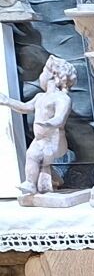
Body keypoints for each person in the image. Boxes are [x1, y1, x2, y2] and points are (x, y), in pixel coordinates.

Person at [0, 54, 77, 196]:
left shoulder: (62, 99)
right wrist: (7, 101)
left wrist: (50, 123)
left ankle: (30, 183)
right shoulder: (40, 97)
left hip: (54, 141)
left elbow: (60, 118)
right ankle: (53, 180)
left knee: (33, 155)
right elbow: (24, 107)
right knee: (37, 156)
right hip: (40, 140)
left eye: (43, 72)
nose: (40, 76)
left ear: (53, 76)